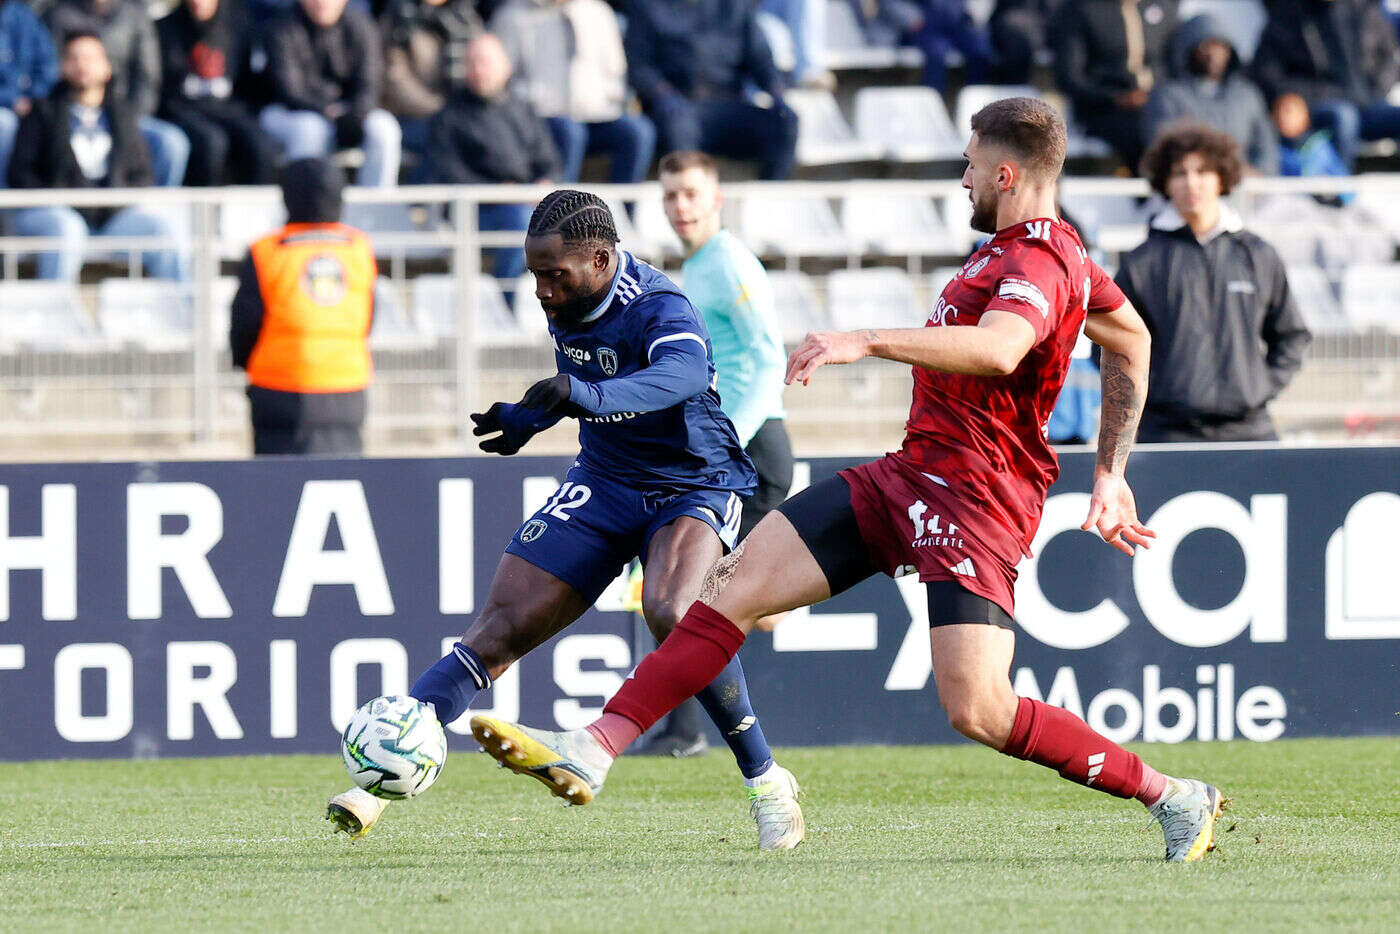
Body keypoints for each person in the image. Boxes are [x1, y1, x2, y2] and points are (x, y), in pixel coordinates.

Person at [470, 98, 1231, 864]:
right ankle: (595, 746)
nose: (962, 179)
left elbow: (1002, 349)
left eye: (970, 165)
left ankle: (1172, 795)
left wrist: (865, 337)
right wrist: (1109, 472)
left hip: (977, 500)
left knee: (979, 707)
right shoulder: (1034, 253)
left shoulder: (1039, 260)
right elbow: (1130, 337)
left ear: (1006, 173)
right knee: (724, 593)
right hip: (909, 475)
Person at [325, 191, 805, 851]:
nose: (543, 290)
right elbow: (584, 381)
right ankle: (384, 775)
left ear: (602, 259)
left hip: (692, 482)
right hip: (605, 480)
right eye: (535, 275)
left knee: (674, 610)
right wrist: (531, 415)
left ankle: (767, 784)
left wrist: (582, 395)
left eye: (555, 275)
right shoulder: (570, 297)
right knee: (498, 631)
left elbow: (685, 372)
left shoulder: (659, 305)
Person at [639, 149, 792, 757]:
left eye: (691, 194)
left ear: (716, 198)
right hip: (725, 451)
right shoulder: (698, 267)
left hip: (750, 453)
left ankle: (781, 597)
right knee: (687, 592)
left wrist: (726, 435)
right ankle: (683, 730)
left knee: (691, 596)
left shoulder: (728, 265)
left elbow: (769, 358)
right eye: (671, 195)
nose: (680, 206)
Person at [1116, 123, 1311, 443]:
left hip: (1251, 431)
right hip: (1167, 433)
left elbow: (1292, 335)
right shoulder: (1141, 263)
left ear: (1222, 178)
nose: (1192, 182)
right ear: (1166, 182)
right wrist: (1152, 391)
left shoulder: (1259, 255)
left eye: (1203, 171)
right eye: (1180, 172)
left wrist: (1258, 386)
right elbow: (1110, 344)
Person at [8, 30, 185, 281]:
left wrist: (114, 201)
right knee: (67, 230)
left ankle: (182, 312)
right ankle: (56, 313)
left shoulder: (123, 115)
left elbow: (143, 174)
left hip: (111, 218)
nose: (82, 65)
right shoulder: (42, 113)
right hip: (61, 214)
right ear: (62, 66)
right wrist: (66, 196)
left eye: (90, 58)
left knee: (164, 229)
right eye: (74, 57)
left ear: (106, 67)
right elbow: (21, 174)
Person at [230, 158, 376, 455]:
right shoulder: (359, 248)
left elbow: (245, 322)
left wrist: (246, 364)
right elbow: (369, 316)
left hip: (280, 387)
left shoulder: (267, 251)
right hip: (347, 385)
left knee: (279, 489)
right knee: (344, 479)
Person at [423, 32, 559, 280]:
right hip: (474, 212)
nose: (478, 69)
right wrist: (498, 192)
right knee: (521, 222)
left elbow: (547, 160)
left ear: (505, 67)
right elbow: (449, 173)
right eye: (472, 62)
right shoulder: (449, 116)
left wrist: (545, 181)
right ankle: (505, 301)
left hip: (526, 204)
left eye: (485, 62)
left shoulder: (522, 109)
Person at [624, 0, 798, 180]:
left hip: (730, 106)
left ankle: (769, 200)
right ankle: (687, 200)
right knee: (680, 125)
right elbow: (638, 66)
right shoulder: (648, 6)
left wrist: (777, 93)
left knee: (784, 122)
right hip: (678, 107)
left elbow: (761, 59)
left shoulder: (735, 6)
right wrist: (662, 93)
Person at [489, 0, 655, 184]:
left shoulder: (598, 12)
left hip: (596, 116)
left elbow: (615, 70)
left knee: (638, 132)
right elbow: (501, 77)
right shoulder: (512, 15)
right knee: (571, 132)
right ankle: (561, 208)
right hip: (541, 120)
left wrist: (608, 101)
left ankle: (626, 208)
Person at [46, 0, 191, 186]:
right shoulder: (59, 15)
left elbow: (147, 78)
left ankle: (155, 206)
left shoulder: (134, 15)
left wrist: (125, 120)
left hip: (127, 113)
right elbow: (51, 71)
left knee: (171, 142)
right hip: (69, 111)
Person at [260, 0, 402, 187]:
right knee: (310, 129)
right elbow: (289, 90)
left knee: (385, 128)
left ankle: (375, 208)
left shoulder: (361, 25)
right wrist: (326, 110)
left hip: (346, 110)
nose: (322, 3)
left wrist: (356, 112)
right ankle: (308, 209)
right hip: (289, 111)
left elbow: (369, 83)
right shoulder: (281, 27)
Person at [1251, 0, 1400, 171]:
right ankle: (1339, 190)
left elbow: (1390, 58)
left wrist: (1377, 90)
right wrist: (1297, 98)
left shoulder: (1364, 8)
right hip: (1322, 105)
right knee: (1345, 117)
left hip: (1370, 103)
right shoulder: (1290, 13)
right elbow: (1266, 71)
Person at [156, 0, 279, 185]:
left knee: (261, 144)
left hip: (228, 109)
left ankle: (256, 211)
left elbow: (249, 83)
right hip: (182, 110)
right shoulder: (164, 29)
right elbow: (165, 92)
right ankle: (202, 211)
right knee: (212, 142)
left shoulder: (238, 24)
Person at [1141, 13, 1277, 176]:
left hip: (1246, 190)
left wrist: (1258, 175)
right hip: (1190, 188)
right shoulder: (1167, 96)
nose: (1213, 54)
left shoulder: (1247, 95)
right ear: (1187, 50)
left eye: (1220, 46)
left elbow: (1267, 149)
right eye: (1205, 46)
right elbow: (1163, 152)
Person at [1050, 0, 1179, 171]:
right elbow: (1070, 77)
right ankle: (1155, 189)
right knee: (1144, 131)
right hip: (1105, 109)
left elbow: (1177, 66)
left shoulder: (1163, 6)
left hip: (1160, 102)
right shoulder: (1082, 9)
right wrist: (1115, 98)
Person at [378, 0, 483, 169]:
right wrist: (440, 110)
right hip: (412, 118)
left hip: (463, 115)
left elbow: (483, 63)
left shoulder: (467, 19)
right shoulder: (399, 18)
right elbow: (394, 79)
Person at [0, 0, 58, 187]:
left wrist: (32, 99)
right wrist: (11, 100)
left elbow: (48, 66)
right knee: (5, 125)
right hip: (6, 107)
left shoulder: (22, 14)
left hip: (30, 103)